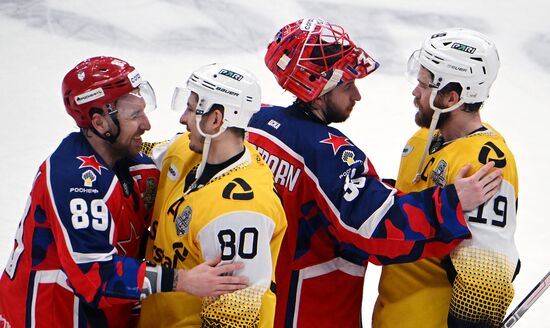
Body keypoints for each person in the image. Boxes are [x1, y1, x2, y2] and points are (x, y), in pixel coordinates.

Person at [247, 18, 503, 327]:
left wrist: (385, 190)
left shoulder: (253, 122)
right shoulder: (329, 154)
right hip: (308, 315)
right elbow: (377, 229)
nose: (357, 95)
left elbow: (322, 203)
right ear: (317, 89)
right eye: (346, 85)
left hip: (257, 310)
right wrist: (449, 202)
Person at [0, 56, 247, 328]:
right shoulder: (77, 182)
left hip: (95, 315)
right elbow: (94, 275)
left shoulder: (129, 160)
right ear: (100, 123)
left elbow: (185, 147)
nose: (146, 124)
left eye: (143, 111)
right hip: (51, 316)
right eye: (134, 116)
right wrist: (183, 281)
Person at [373, 28, 519, 327]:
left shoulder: (484, 162)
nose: (415, 92)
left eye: (424, 85)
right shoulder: (422, 139)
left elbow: (485, 285)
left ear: (452, 97)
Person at [138, 63, 287, 327]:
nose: (183, 118)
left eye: (192, 108)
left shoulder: (240, 215)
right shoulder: (186, 148)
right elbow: (137, 157)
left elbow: (235, 319)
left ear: (216, 120)